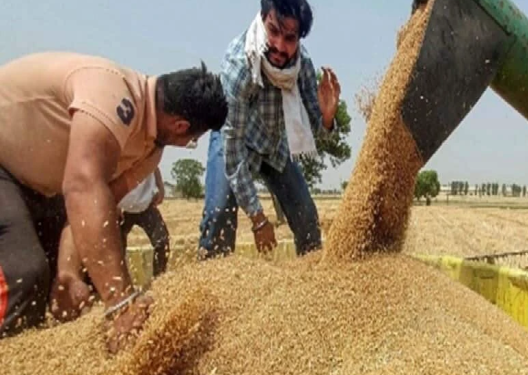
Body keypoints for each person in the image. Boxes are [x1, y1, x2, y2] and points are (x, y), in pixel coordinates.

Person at [0, 52, 227, 352]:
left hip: (42, 188)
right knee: (24, 274)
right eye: (192, 140)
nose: (187, 145)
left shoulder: (150, 152)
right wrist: (121, 301)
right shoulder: (111, 94)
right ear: (180, 126)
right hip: (6, 167)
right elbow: (83, 187)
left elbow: (96, 209)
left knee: (80, 281)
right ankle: (10, 369)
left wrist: (68, 273)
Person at [198, 0, 341, 259]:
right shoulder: (239, 65)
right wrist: (258, 219)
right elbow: (233, 151)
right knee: (218, 215)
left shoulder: (302, 66)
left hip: (274, 146)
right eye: (273, 31)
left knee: (307, 218)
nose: (279, 46)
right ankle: (210, 279)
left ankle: (312, 278)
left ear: (299, 38)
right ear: (263, 18)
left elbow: (317, 130)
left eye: (290, 38)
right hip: (236, 140)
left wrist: (328, 118)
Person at [118, 169, 170, 278]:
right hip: (122, 205)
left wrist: (160, 186)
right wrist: (112, 204)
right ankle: (118, 281)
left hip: (146, 203)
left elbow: (154, 165)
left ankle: (159, 279)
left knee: (162, 241)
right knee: (116, 247)